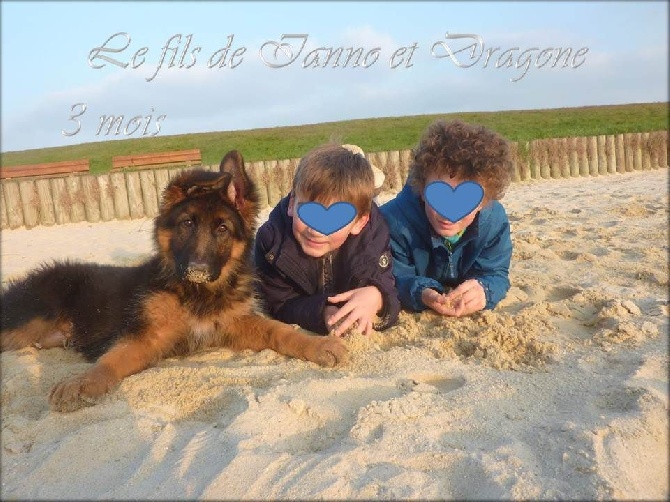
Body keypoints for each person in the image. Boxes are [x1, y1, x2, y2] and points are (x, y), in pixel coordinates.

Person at [254, 143, 400, 337]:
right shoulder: (272, 243)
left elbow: (389, 288)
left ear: (359, 223)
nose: (316, 230)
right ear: (291, 204)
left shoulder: (372, 236)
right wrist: (323, 313)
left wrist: (376, 296)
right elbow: (278, 304)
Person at [380, 119, 513, 317]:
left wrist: (485, 290)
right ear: (422, 190)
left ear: (484, 202)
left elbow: (496, 273)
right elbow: (391, 278)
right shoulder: (393, 221)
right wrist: (421, 292)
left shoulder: (493, 221)